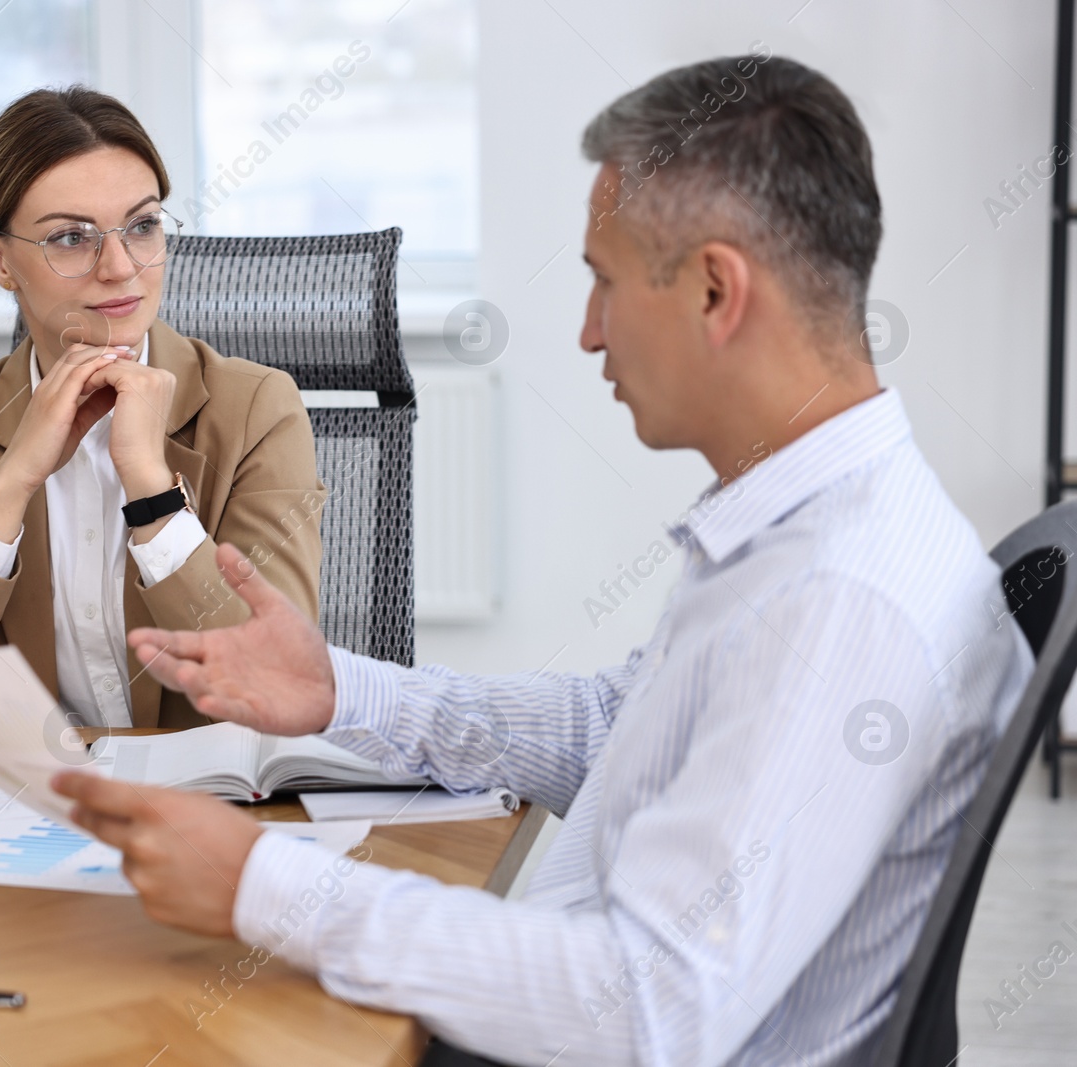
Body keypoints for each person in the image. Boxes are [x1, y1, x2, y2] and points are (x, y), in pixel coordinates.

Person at [52, 54, 1034, 1065]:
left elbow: (642, 1008)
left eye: (603, 283)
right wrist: (341, 687)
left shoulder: (837, 595)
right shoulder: (805, 528)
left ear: (713, 289)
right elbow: (620, 730)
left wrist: (264, 883)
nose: (587, 331)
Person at [0, 87, 324, 733]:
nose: (121, 267)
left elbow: (275, 685)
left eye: (143, 226)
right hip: (29, 805)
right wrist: (10, 481)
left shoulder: (255, 409)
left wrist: (149, 486)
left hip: (211, 811)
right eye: (71, 237)